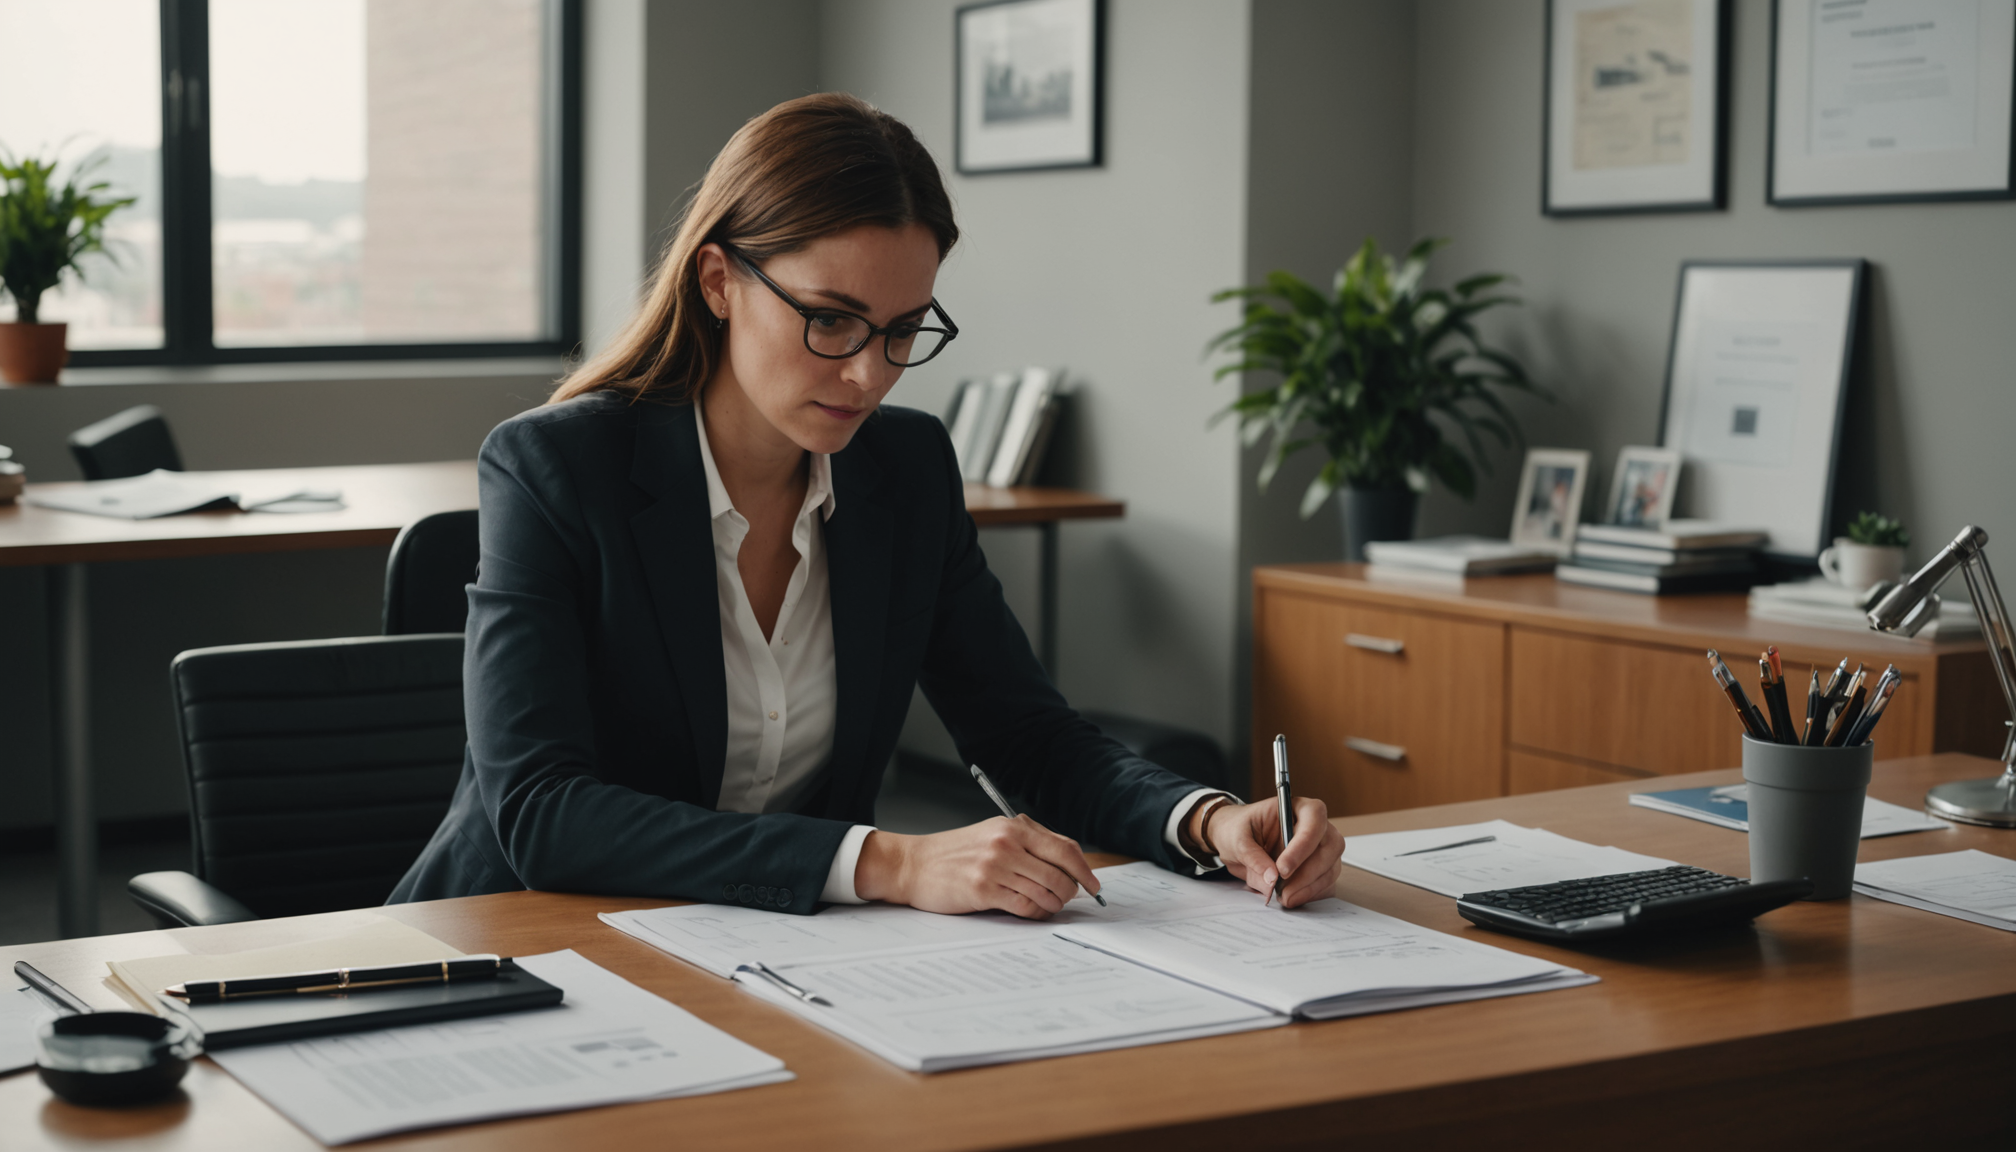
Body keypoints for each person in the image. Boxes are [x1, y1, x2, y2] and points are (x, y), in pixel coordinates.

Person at [390, 93, 1344, 919]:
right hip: (517, 943)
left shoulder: (907, 467)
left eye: (901, 331)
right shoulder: (555, 467)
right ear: (720, 281)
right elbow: (543, 812)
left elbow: (1028, 736)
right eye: (831, 320)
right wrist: (888, 859)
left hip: (772, 955)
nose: (866, 373)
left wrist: (1206, 819)